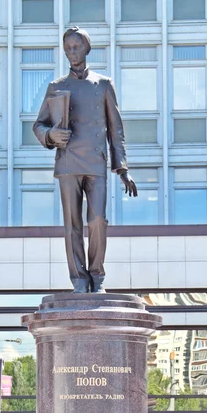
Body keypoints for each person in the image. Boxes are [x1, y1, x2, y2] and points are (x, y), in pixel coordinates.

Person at [33, 26, 137, 293]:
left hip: (96, 162)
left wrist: (122, 167)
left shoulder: (103, 85)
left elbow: (116, 129)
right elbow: (39, 125)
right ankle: (79, 280)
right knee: (73, 225)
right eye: (67, 48)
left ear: (87, 48)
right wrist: (51, 135)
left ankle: (97, 275)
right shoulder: (57, 86)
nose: (71, 52)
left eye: (76, 47)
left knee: (98, 220)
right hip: (68, 162)